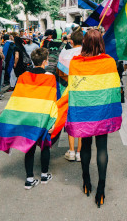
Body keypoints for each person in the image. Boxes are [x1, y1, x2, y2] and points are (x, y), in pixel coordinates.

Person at [65, 29, 122, 208]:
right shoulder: (109, 62)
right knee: (102, 147)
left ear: (85, 43)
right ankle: (101, 189)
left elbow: (73, 87)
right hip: (102, 111)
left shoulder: (75, 63)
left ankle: (86, 182)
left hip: (84, 112)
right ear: (101, 43)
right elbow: (115, 89)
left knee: (86, 145)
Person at [0, 48, 57, 189]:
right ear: (44, 61)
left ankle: (29, 179)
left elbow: (17, 98)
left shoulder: (23, 76)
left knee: (29, 147)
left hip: (27, 117)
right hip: (43, 117)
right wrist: (53, 120)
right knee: (45, 145)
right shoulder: (50, 77)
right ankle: (44, 175)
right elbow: (52, 100)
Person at [57, 28, 83, 162]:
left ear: (71, 41)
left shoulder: (64, 54)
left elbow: (60, 74)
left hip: (68, 91)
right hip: (83, 91)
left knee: (71, 120)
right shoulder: (86, 54)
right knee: (82, 120)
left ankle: (72, 150)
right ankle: (80, 152)